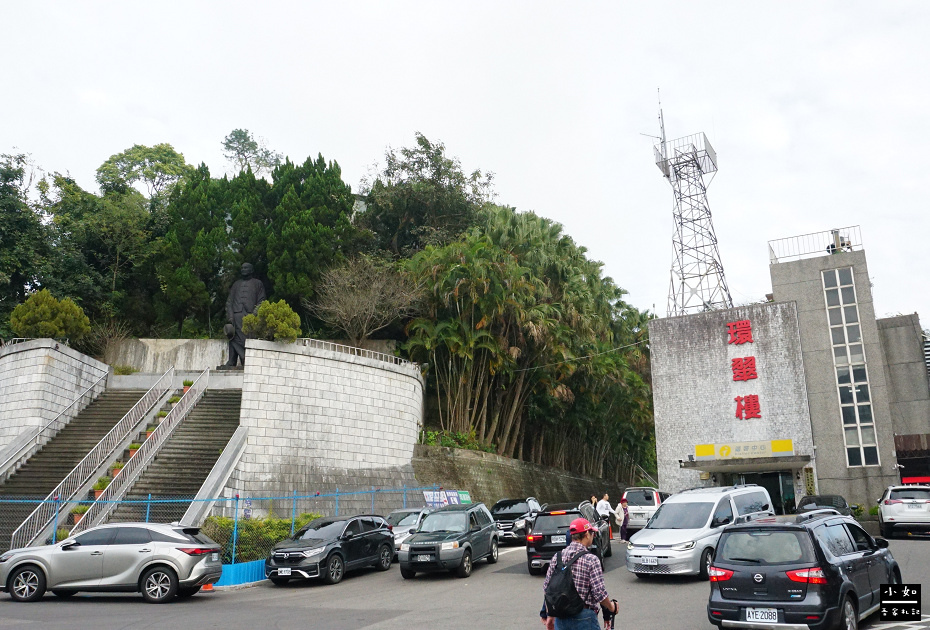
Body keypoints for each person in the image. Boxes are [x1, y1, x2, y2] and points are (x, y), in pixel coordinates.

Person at [540, 518, 619, 630]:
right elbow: (599, 593)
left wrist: (550, 615)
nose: (593, 536)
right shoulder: (591, 559)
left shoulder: (557, 558)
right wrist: (612, 607)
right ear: (587, 534)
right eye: (592, 533)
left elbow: (548, 589)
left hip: (561, 618)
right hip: (584, 616)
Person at [225, 262, 266, 367]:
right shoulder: (236, 284)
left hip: (249, 316)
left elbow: (261, 301)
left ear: (251, 270)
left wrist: (254, 315)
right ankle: (232, 360)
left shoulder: (258, 284)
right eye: (242, 268)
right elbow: (229, 302)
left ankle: (244, 358)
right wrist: (230, 316)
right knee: (232, 336)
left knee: (246, 338)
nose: (243, 269)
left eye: (246, 268)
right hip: (236, 315)